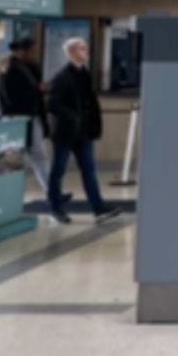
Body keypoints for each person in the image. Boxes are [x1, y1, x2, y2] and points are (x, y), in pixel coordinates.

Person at [46, 37, 120, 224]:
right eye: (82, 49)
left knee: (89, 170)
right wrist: (73, 116)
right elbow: (53, 105)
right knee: (58, 170)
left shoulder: (84, 73)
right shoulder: (62, 77)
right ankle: (56, 208)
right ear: (72, 52)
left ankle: (99, 208)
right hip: (65, 133)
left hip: (83, 132)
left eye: (85, 48)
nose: (86, 52)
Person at [0, 38, 65, 204]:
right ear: (22, 51)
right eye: (31, 51)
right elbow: (10, 97)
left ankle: (52, 192)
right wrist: (36, 89)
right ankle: (12, 196)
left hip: (33, 116)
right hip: (18, 119)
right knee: (18, 157)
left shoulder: (31, 67)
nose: (34, 54)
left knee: (38, 155)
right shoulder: (9, 69)